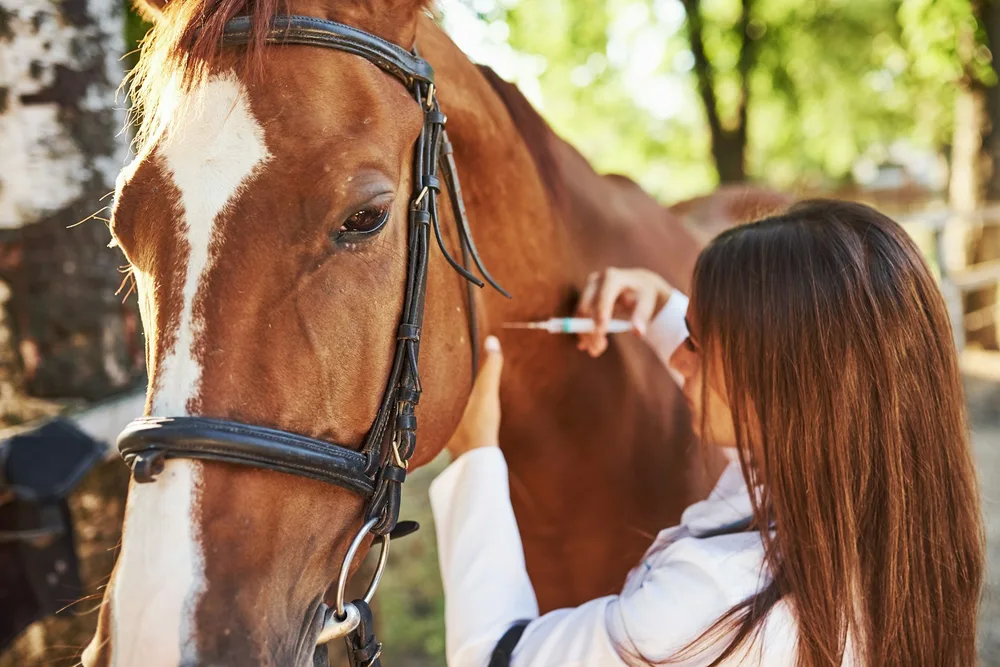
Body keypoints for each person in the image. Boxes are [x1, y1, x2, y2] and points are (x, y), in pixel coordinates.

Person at [429, 200, 985, 666]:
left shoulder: (710, 601)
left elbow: (495, 656)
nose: (677, 356)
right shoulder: (884, 520)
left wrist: (475, 456)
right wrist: (659, 308)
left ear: (774, 386)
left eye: (696, 343)